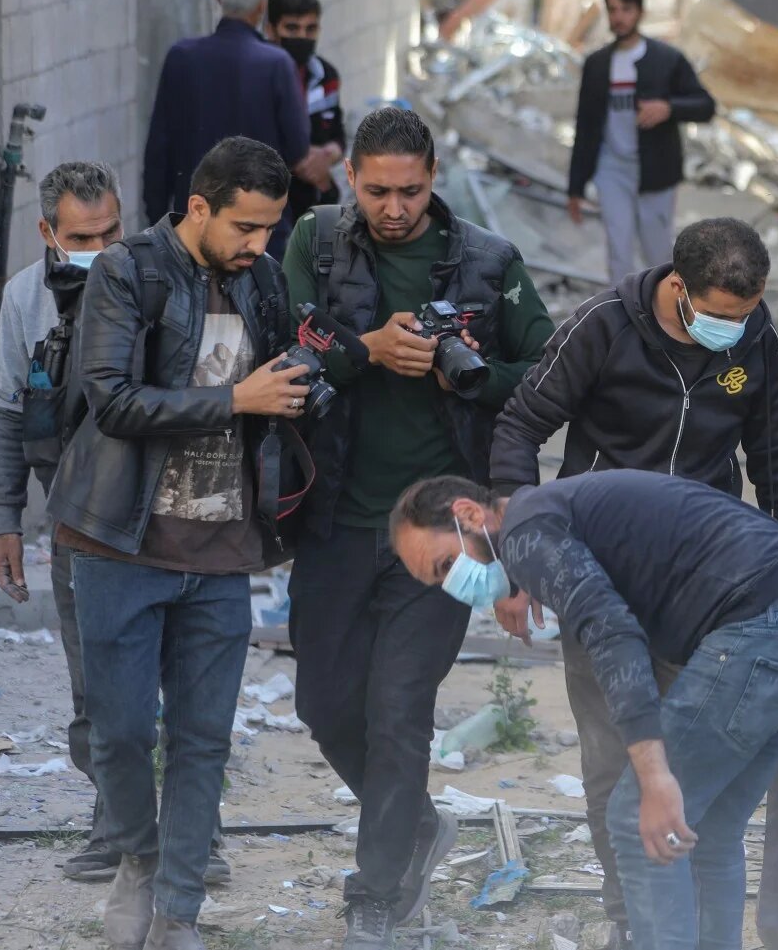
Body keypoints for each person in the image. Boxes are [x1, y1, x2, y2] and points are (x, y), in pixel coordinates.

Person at [489, 216, 778, 948]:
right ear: (679, 287)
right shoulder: (602, 327)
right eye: (722, 314)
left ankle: (691, 925)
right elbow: (517, 428)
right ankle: (631, 921)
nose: (736, 328)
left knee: (695, 767)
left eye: (748, 311)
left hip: (707, 588)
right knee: (614, 765)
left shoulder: (752, 340)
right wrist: (520, 556)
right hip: (599, 575)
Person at [279, 105, 555, 950]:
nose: (394, 208)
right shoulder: (315, 243)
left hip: (442, 535)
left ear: (434, 178)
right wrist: (366, 349)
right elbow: (283, 349)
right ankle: (419, 825)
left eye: (410, 191)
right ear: (350, 179)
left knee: (398, 708)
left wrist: (468, 374)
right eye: (376, 192)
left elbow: (547, 373)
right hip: (334, 515)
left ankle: (379, 887)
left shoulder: (488, 261)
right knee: (325, 703)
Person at [389, 471, 778, 950]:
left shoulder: (524, 531)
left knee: (637, 818)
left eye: (446, 564)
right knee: (707, 828)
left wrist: (655, 775)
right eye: (440, 581)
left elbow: (611, 635)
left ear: (467, 514)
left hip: (765, 627)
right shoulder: (546, 514)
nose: (453, 584)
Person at [49, 137, 306, 950]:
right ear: (199, 207)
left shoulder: (264, 279)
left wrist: (303, 387)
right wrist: (237, 399)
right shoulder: (127, 272)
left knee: (203, 739)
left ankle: (179, 909)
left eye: (270, 227)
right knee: (121, 731)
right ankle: (138, 855)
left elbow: (274, 386)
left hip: (222, 550)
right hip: (119, 541)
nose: (258, 243)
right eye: (245, 226)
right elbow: (113, 400)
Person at [0, 162, 125, 883]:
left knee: (168, 678)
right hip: (72, 519)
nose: (99, 250)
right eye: (82, 238)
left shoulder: (151, 283)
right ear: (47, 232)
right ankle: (114, 822)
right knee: (91, 680)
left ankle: (193, 831)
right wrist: (6, 520)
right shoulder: (24, 298)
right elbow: (9, 413)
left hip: (150, 515)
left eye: (110, 234)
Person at [143, 0, 315, 258]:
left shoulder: (181, 57)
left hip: (195, 225)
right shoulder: (276, 64)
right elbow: (298, 147)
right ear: (262, 5)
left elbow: (159, 149)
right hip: (260, 230)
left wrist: (158, 221)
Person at [567, 0, 716, 286]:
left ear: (640, 12)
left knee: (657, 253)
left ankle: (664, 311)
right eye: (613, 10)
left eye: (626, 9)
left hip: (656, 170)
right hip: (612, 169)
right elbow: (585, 125)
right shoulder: (597, 64)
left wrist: (669, 108)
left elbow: (706, 106)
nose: (619, 17)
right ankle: (623, 312)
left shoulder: (667, 59)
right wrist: (575, 187)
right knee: (618, 251)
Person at [266, 0, 345, 221]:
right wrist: (299, 157)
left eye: (310, 29)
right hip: (268, 198)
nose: (302, 36)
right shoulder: (258, 76)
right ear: (271, 30)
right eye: (292, 28)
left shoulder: (326, 75)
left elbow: (337, 133)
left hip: (312, 202)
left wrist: (327, 155)